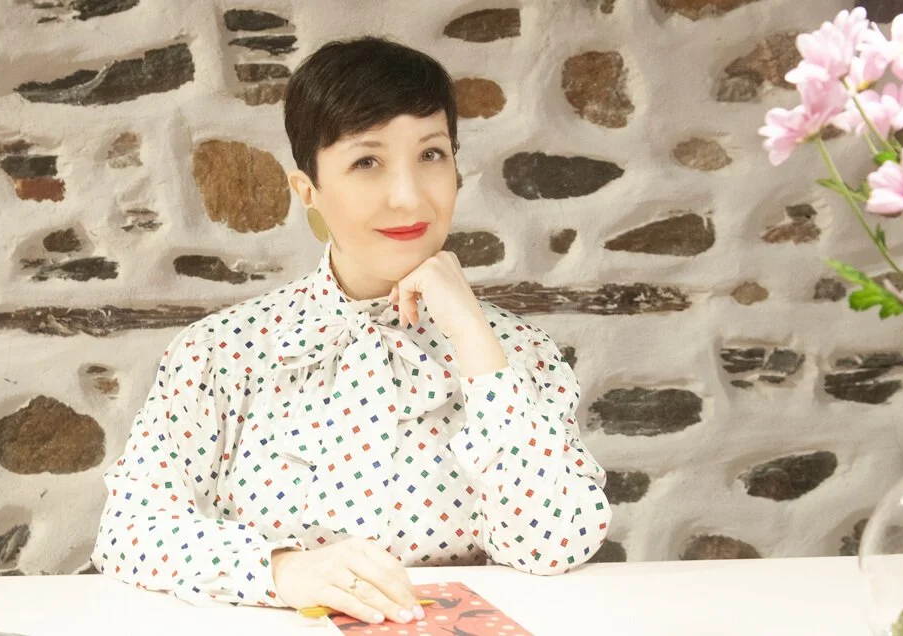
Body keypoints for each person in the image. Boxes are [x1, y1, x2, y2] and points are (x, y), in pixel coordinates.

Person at [92, 36, 610, 626]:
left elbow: (554, 544)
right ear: (308, 191)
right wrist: (281, 569)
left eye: (432, 155)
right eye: (367, 161)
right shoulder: (221, 352)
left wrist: (473, 334)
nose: (409, 196)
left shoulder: (521, 354)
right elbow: (129, 529)